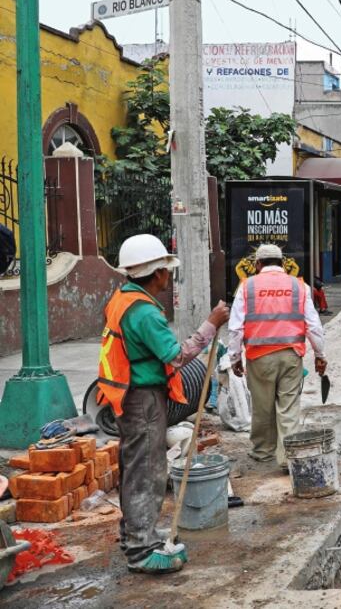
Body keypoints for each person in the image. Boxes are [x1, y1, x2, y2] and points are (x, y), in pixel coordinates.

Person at [97, 234, 229, 574]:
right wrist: (210, 325)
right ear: (156, 273)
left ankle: (136, 537)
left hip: (126, 396)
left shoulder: (122, 299)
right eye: (165, 271)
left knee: (134, 468)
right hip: (142, 398)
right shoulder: (144, 313)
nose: (168, 277)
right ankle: (141, 550)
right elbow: (176, 356)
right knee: (147, 472)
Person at [227, 244, 326, 468]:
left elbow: (235, 328)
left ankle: (263, 452)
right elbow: (313, 325)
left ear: (258, 264)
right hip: (291, 356)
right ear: (282, 263)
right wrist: (320, 354)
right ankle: (288, 457)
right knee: (289, 407)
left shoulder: (246, 287)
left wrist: (235, 358)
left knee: (262, 406)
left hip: (259, 357)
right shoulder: (300, 286)